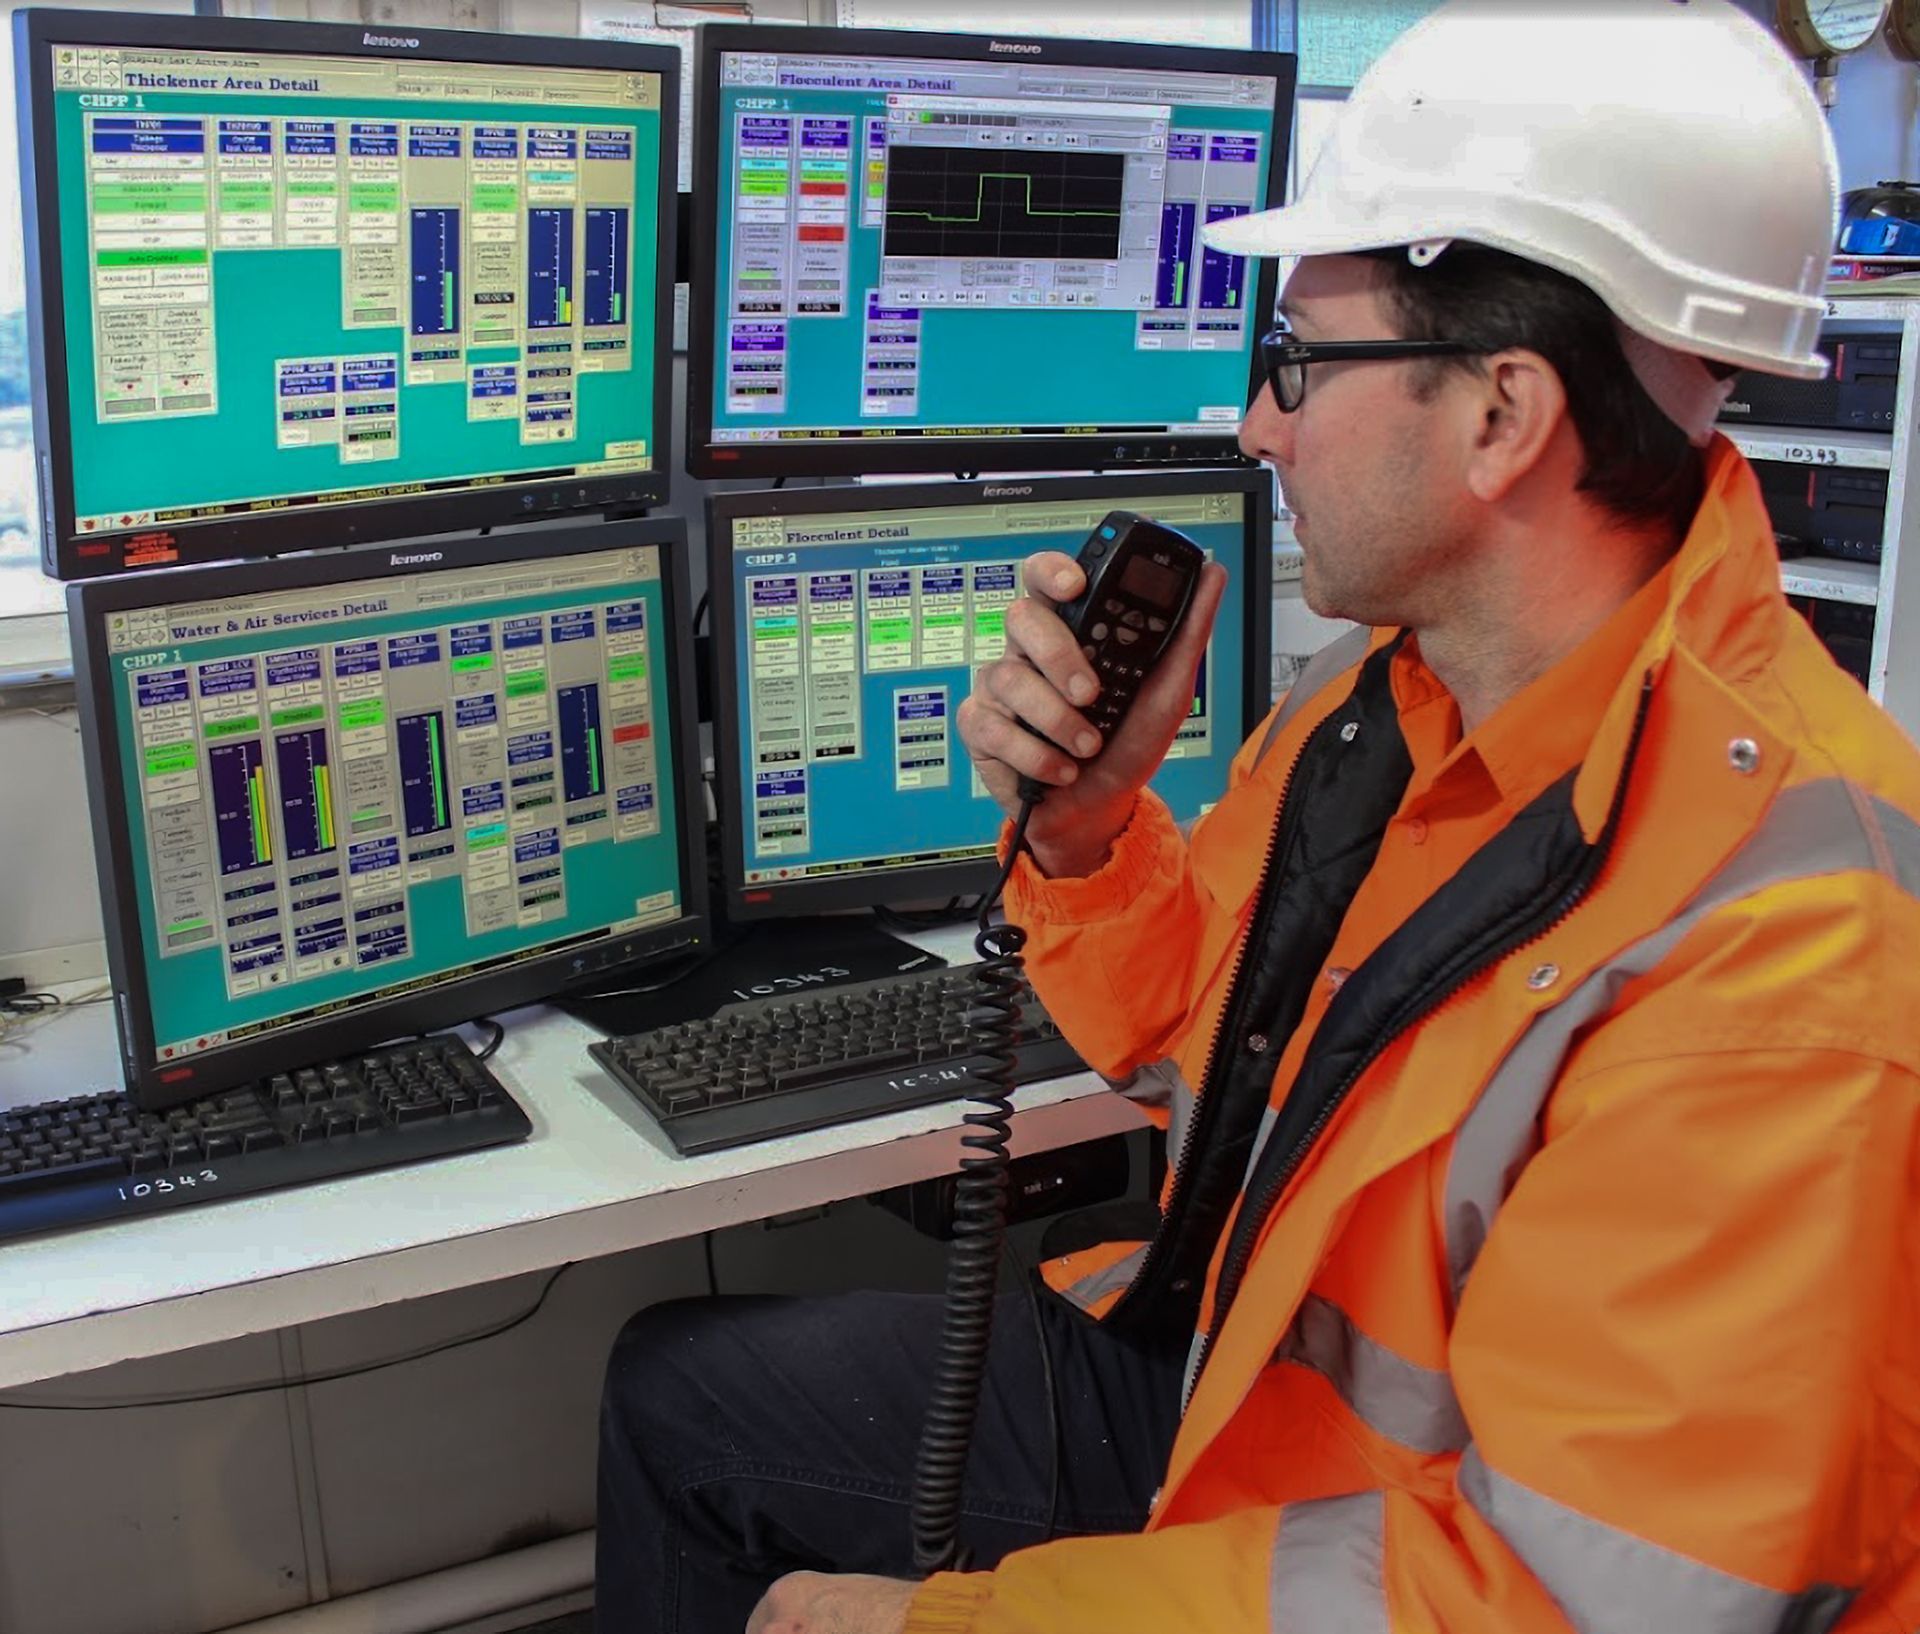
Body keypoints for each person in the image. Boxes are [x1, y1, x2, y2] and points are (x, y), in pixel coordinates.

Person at [595, 3, 1920, 1630]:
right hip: (1245, 1417)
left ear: (1502, 416)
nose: (1255, 426)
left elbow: (1563, 1606)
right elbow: (1199, 1041)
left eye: (1298, 362)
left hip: (1382, 1549)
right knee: (688, 1390)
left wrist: (952, 1624)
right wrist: (1084, 830)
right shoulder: (1408, 706)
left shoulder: (1789, 965)